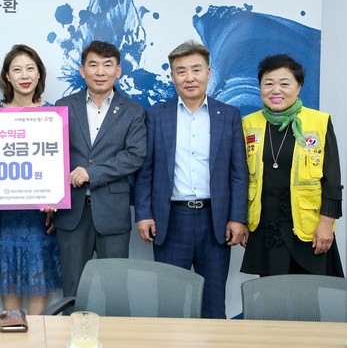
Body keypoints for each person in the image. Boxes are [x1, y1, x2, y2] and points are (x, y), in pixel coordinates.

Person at [134, 40, 248, 319]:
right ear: (172, 76)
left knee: (214, 302)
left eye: (196, 70)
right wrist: (144, 214)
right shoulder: (156, 115)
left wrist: (237, 218)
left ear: (209, 72)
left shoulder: (229, 115)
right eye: (181, 71)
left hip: (215, 221)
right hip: (171, 220)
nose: (189, 78)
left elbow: (238, 172)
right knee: (170, 303)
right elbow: (145, 170)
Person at [54, 40, 146, 303]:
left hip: (112, 212)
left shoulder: (133, 111)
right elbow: (52, 153)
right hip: (72, 212)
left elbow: (134, 156)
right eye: (93, 65)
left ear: (118, 70)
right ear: (82, 70)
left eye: (108, 65)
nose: (100, 72)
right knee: (72, 290)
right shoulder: (63, 105)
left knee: (116, 291)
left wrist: (91, 173)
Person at [241, 54, 343, 277]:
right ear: (260, 87)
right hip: (266, 227)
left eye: (284, 84)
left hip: (308, 228)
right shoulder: (248, 124)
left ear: (299, 86)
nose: (276, 90)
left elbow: (332, 179)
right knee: (269, 291)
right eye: (268, 83)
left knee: (306, 293)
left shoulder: (319, 122)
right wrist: (241, 220)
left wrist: (327, 223)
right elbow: (240, 178)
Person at [0, 44, 62, 315]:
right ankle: (13, 332)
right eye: (17, 69)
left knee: (39, 279)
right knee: (9, 277)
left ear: (39, 74)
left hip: (41, 214)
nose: (24, 75)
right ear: (7, 76)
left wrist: (56, 204)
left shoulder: (54, 114)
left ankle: (38, 336)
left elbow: (61, 162)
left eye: (30, 68)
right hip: (4, 214)